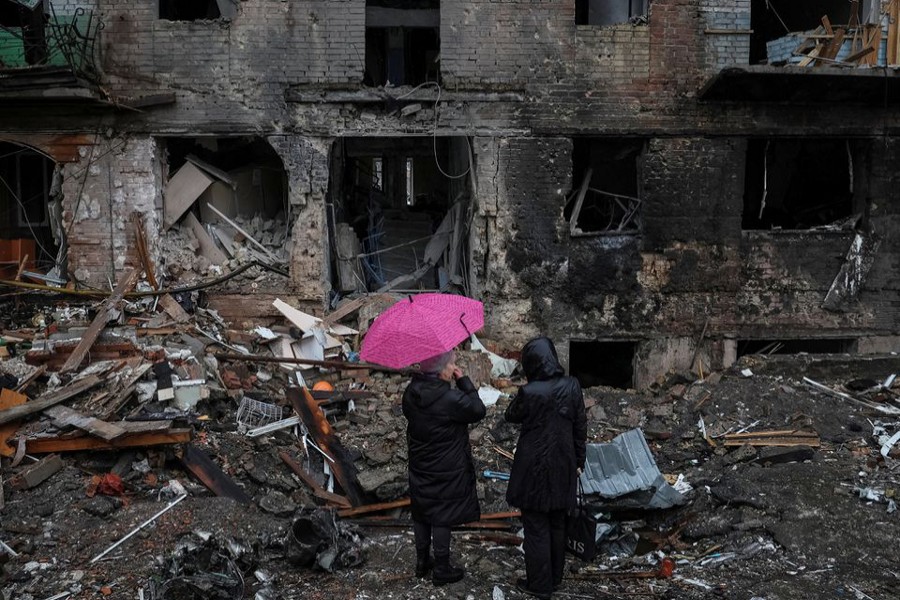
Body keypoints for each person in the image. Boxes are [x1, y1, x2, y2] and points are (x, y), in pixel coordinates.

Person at [505, 337, 587, 600]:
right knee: (557, 522)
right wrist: (579, 461)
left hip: (534, 467)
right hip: (564, 464)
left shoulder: (530, 392)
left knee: (536, 526)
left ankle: (540, 585)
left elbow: (510, 415)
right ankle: (554, 578)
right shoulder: (572, 386)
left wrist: (525, 390)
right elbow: (580, 427)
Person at [402, 349, 486, 585]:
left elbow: (409, 415)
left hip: (420, 462)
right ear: (440, 370)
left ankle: (421, 562)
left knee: (422, 511)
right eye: (451, 364)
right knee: (441, 515)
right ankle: (441, 568)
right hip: (446, 466)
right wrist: (464, 381)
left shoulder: (411, 393)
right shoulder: (449, 399)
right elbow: (478, 410)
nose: (454, 367)